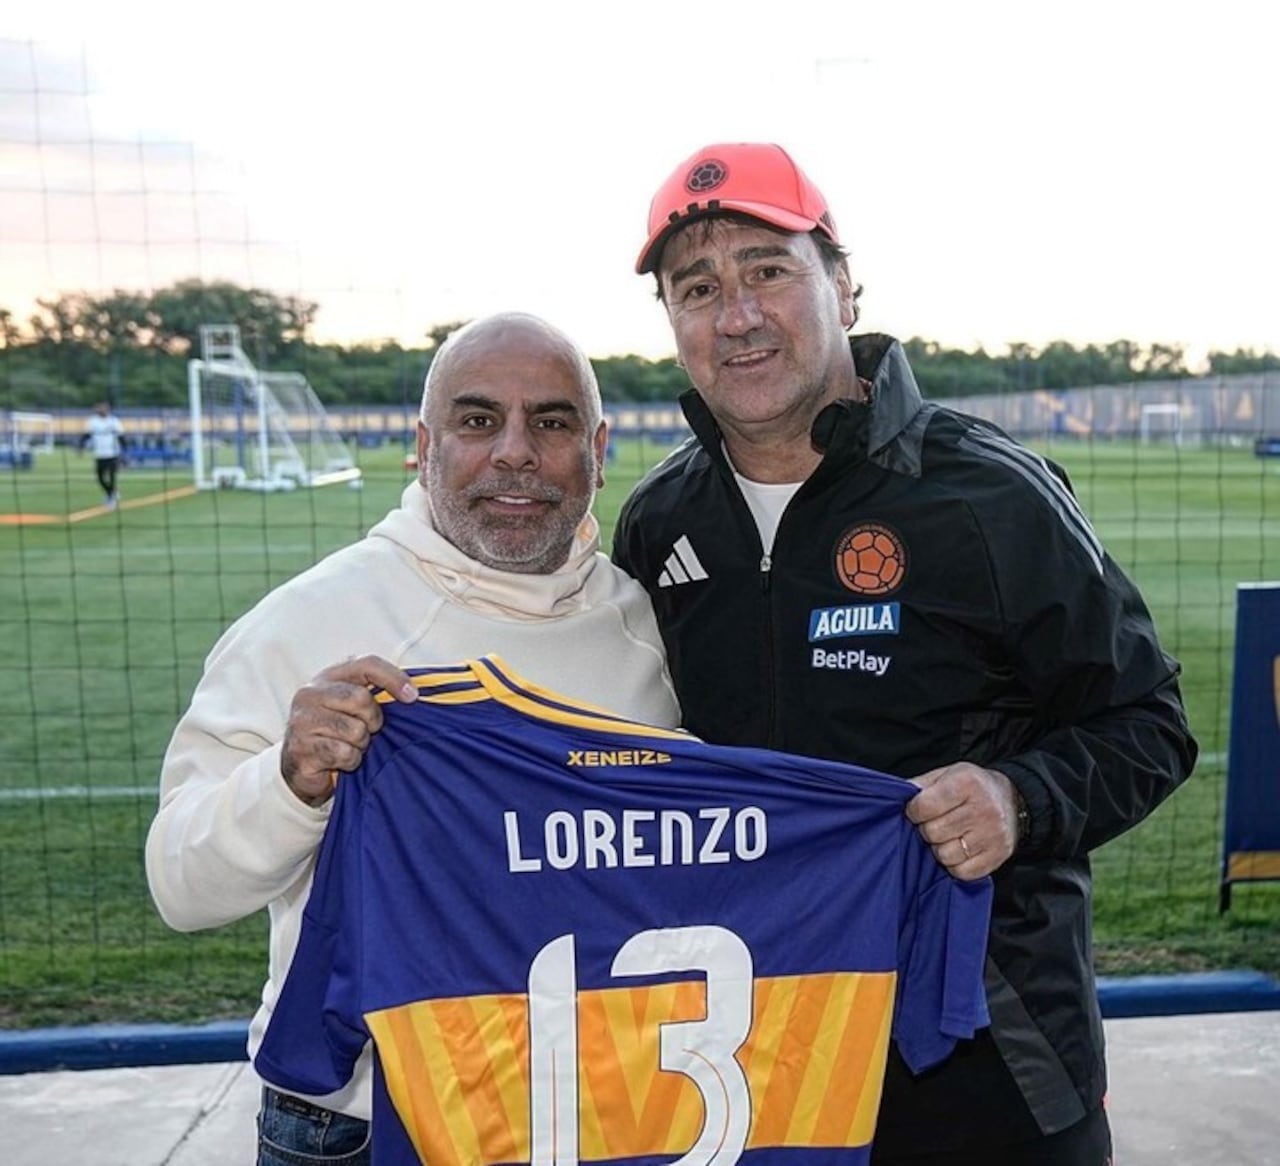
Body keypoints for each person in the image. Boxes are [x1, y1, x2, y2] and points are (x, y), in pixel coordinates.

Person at [613, 142, 1198, 1166]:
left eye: (766, 269)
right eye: (695, 287)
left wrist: (1017, 799)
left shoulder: (989, 497)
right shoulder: (657, 524)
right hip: (748, 1059)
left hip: (988, 1062)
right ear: (670, 321)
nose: (736, 314)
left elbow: (1148, 722)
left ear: (841, 286)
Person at [145, 312, 680, 1166]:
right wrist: (290, 785)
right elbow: (179, 884)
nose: (515, 452)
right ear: (423, 446)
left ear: (598, 446)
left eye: (551, 421)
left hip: (592, 1112)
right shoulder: (306, 622)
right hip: (355, 1127)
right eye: (477, 421)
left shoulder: (645, 626)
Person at [79, 399, 126, 508]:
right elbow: (86, 436)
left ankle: (111, 498)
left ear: (108, 409)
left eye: (104, 407)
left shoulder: (114, 421)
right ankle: (111, 492)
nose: (101, 409)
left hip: (113, 453)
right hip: (100, 454)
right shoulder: (92, 422)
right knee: (100, 478)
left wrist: (124, 452)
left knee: (111, 475)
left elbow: (121, 437)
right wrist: (81, 447)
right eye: (99, 407)